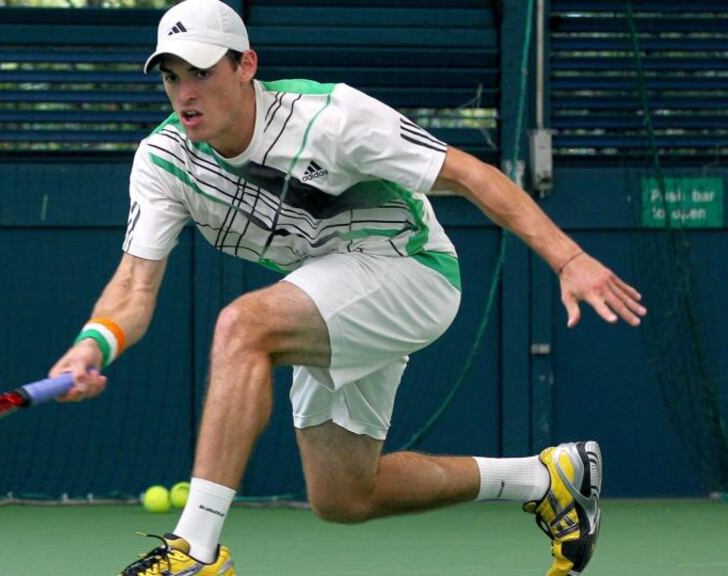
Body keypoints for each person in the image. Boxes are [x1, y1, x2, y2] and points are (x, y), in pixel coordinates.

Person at [47, 1, 646, 574]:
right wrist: (93, 345)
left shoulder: (329, 118)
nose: (185, 93)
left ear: (246, 65)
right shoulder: (164, 161)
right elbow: (135, 283)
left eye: (201, 72)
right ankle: (546, 478)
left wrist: (569, 259)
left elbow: (471, 175)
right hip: (328, 287)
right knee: (344, 495)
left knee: (244, 326)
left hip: (411, 268)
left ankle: (194, 549)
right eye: (172, 77)